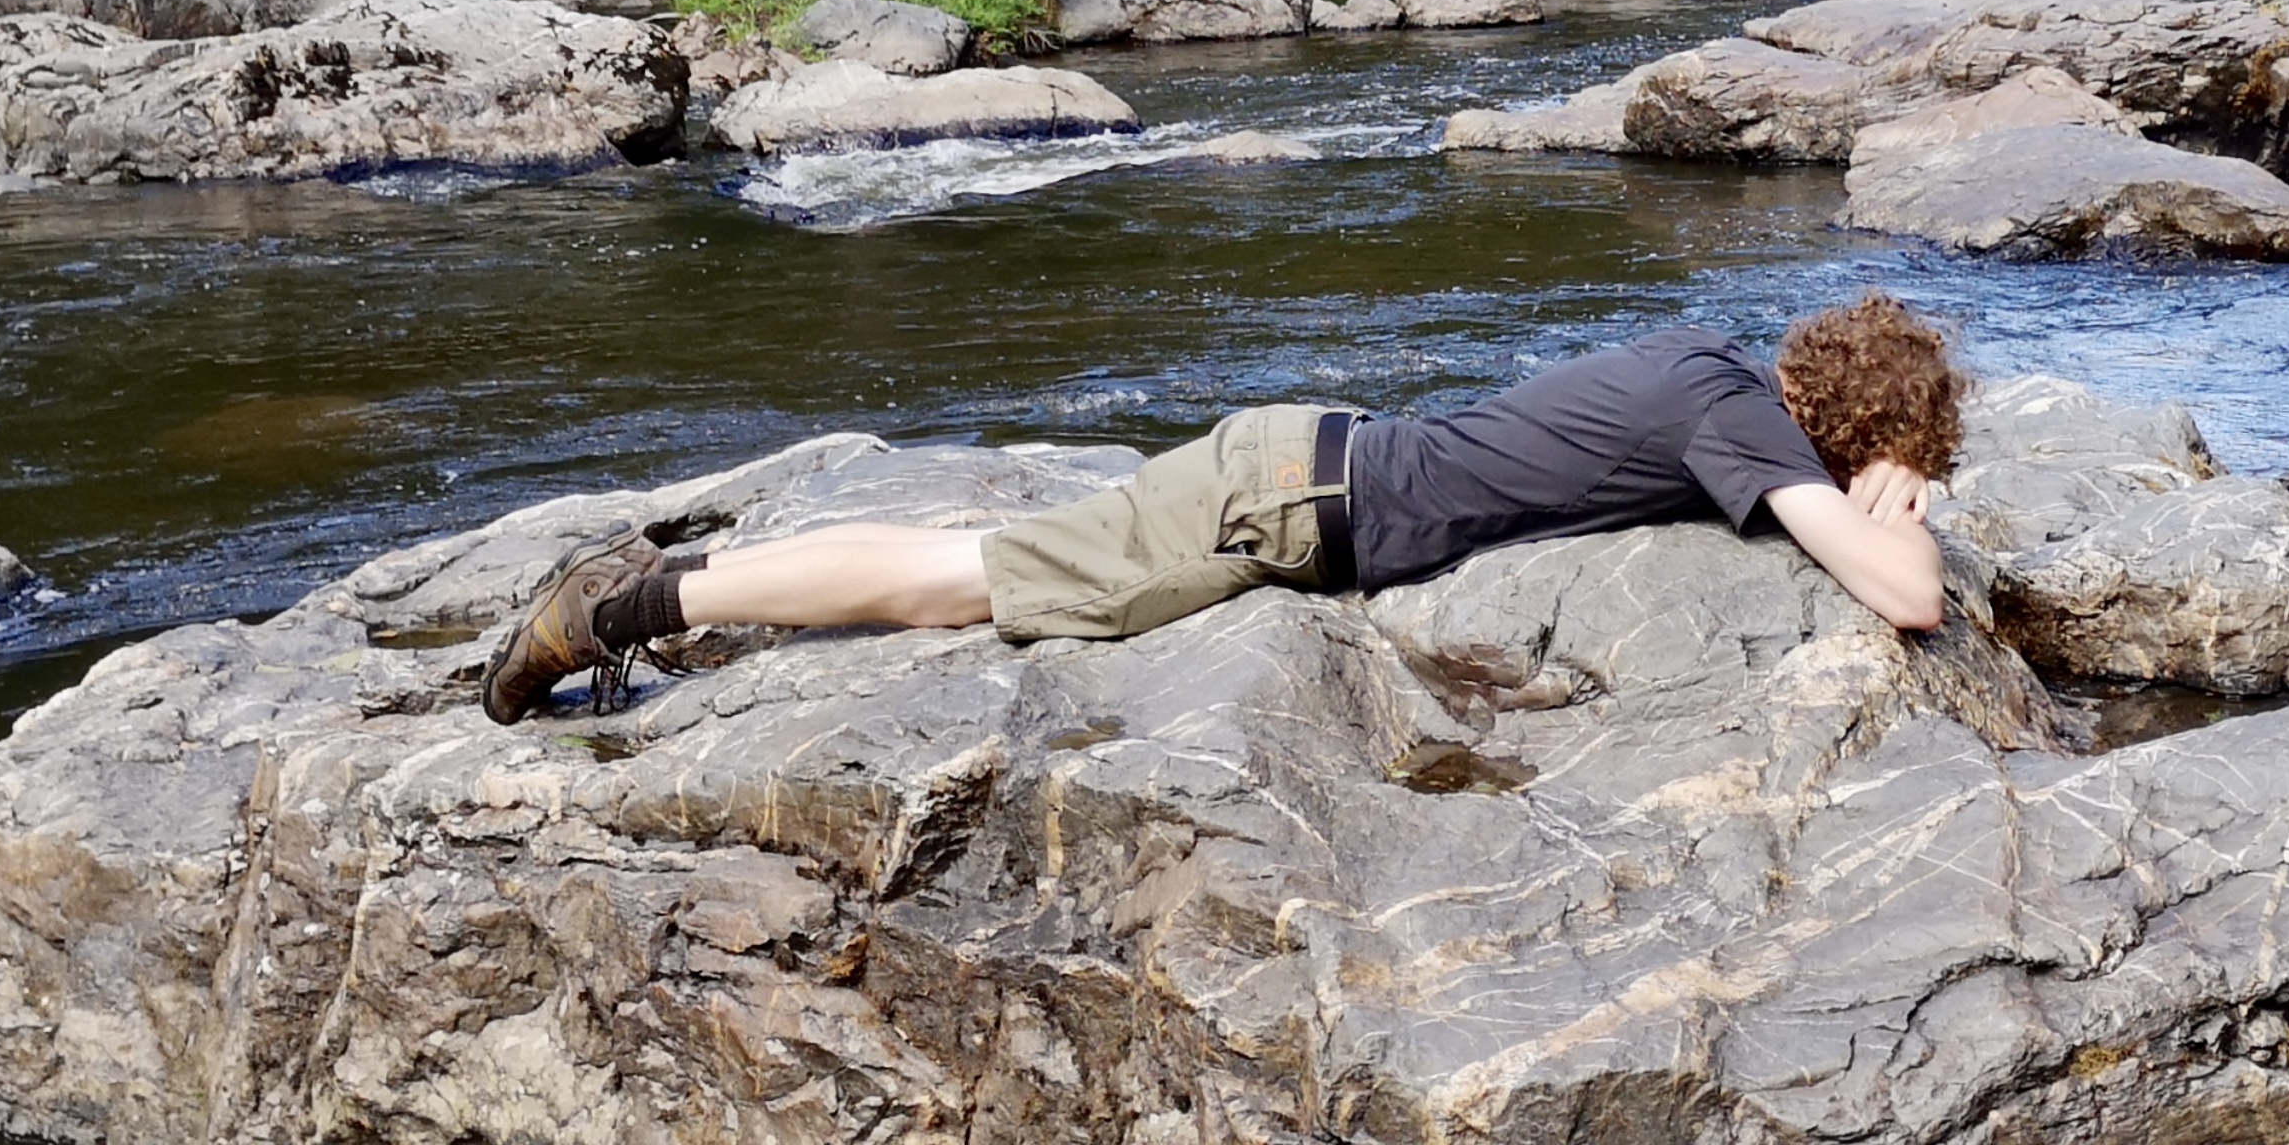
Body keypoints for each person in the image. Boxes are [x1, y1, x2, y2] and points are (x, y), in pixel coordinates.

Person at [482, 293, 1966, 723]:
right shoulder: (1740, 424)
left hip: (1304, 467)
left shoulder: (1719, 365)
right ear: (1866, 434)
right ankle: (625, 602)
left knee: (969, 569)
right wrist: (1894, 512)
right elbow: (1902, 598)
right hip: (1288, 506)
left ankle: (666, 584)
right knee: (955, 581)